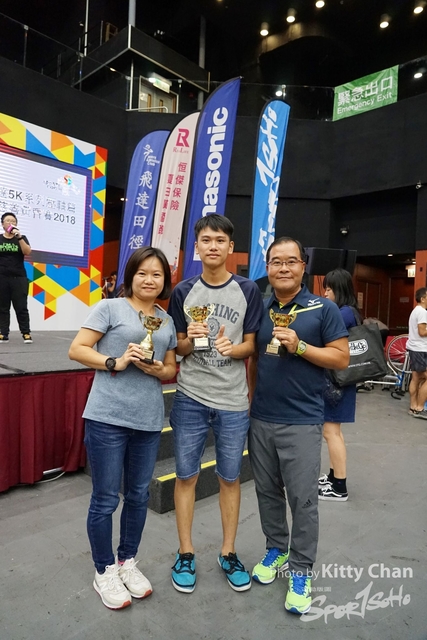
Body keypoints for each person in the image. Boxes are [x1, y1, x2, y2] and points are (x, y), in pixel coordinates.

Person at [68, 247, 177, 610]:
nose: (149, 280)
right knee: (105, 499)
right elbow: (78, 349)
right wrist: (115, 361)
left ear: (165, 280)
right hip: (107, 417)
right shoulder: (110, 308)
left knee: (138, 496)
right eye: (142, 273)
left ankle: (127, 561)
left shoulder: (166, 320)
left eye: (157, 274)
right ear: (130, 276)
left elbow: (171, 368)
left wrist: (158, 369)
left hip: (148, 419)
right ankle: (104, 570)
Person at [248, 237, 349, 615]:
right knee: (266, 491)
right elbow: (255, 359)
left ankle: (302, 569)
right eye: (276, 262)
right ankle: (276, 548)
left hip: (302, 421)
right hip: (262, 418)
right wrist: (251, 404)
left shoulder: (323, 309)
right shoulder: (260, 308)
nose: (283, 268)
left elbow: (341, 359)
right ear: (268, 268)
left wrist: (301, 347)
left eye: (291, 261)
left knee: (303, 500)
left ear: (303, 266)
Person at [168, 214, 264, 594]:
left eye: (220, 240)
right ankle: (185, 552)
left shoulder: (247, 290)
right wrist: (190, 339)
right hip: (190, 395)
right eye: (206, 240)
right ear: (197, 247)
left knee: (230, 477)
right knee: (186, 476)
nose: (213, 246)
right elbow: (179, 349)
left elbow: (251, 345)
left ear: (230, 247)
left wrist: (231, 348)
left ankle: (228, 552)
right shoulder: (182, 291)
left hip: (232, 400)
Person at [318, 268, 361, 502]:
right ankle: (334, 476)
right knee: (334, 431)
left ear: (339, 289)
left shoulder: (342, 313)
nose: (325, 293)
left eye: (328, 289)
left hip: (337, 382)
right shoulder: (350, 311)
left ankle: (339, 487)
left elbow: (321, 334)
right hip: (341, 380)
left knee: (330, 432)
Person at [0, 212, 32, 343]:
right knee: (3, 307)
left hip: (19, 277)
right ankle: (3, 333)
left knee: (21, 307)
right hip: (2, 277)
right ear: (3, 224)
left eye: (13, 221)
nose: (11, 223)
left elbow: (27, 251)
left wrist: (19, 237)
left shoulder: (21, 238)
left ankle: (26, 333)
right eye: (8, 221)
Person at [407, 287, 427, 419]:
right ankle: (420, 408)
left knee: (416, 378)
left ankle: (413, 407)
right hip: (420, 349)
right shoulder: (422, 312)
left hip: (414, 348)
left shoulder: (416, 311)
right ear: (423, 298)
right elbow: (422, 332)